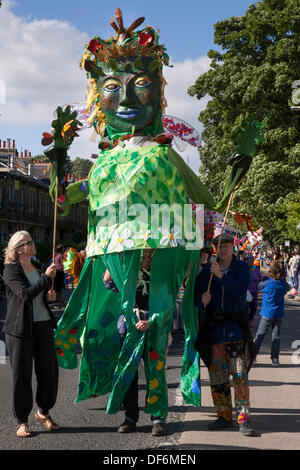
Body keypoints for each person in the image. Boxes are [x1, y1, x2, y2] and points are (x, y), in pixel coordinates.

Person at [194, 233, 256, 436]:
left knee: (240, 376)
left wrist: (221, 276)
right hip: (215, 331)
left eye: (227, 246)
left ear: (233, 248)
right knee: (218, 377)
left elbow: (240, 291)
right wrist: (202, 300)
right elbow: (196, 296)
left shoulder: (242, 268)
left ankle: (243, 418)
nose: (223, 250)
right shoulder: (207, 272)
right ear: (215, 249)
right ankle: (224, 416)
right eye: (220, 247)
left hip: (235, 330)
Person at [103, 249, 166, 437]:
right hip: (129, 326)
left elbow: (168, 300)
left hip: (154, 326)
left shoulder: (161, 271)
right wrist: (111, 256)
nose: (145, 253)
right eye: (141, 249)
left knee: (155, 371)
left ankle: (158, 418)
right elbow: (108, 282)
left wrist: (151, 321)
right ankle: (130, 417)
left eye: (148, 249)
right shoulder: (128, 271)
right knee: (128, 373)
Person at [2, 231, 60, 437]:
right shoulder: (10, 271)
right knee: (21, 376)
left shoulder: (37, 267)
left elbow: (40, 294)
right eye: (29, 242)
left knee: (49, 373)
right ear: (19, 249)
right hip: (20, 330)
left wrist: (50, 296)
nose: (34, 244)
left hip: (43, 325)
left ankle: (43, 412)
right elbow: (25, 295)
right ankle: (21, 421)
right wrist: (45, 280)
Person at [253, 261, 289, 366]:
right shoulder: (282, 284)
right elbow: (287, 288)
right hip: (278, 313)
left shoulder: (268, 283)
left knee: (260, 335)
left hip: (267, 313)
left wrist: (264, 278)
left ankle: (253, 355)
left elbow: (259, 286)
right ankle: (275, 358)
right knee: (276, 336)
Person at [245, 255, 262, 326]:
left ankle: (251, 319)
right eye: (248, 260)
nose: (249, 262)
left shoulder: (256, 270)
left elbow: (260, 279)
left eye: (251, 260)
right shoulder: (243, 269)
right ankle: (245, 321)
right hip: (245, 292)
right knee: (245, 307)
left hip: (254, 292)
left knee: (254, 307)